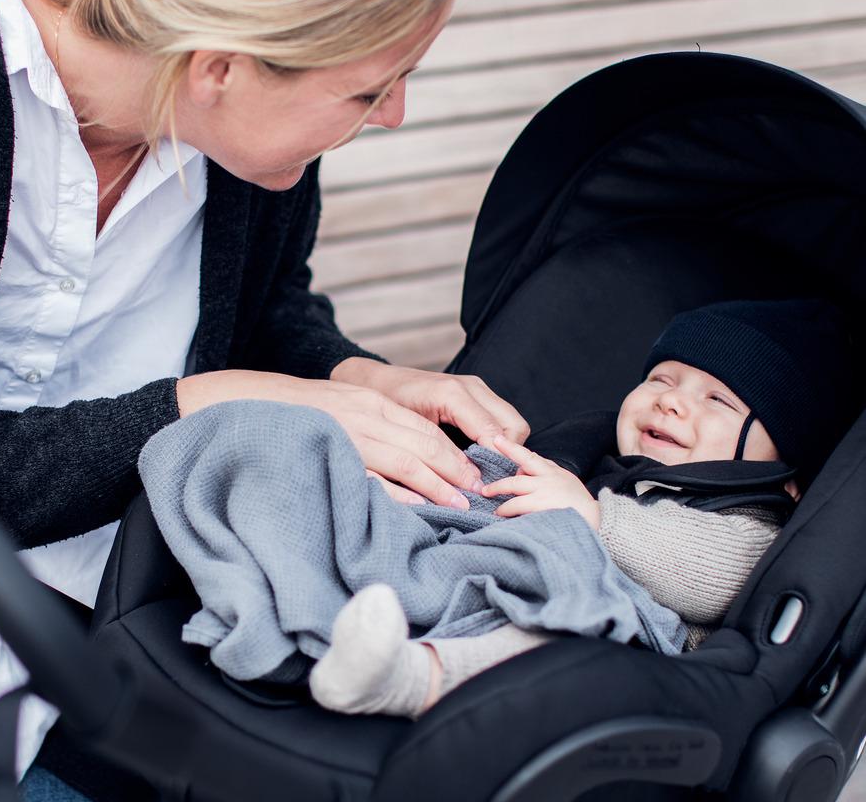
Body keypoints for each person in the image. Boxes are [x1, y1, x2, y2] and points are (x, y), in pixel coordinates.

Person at [0, 0, 530, 802]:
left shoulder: (243, 143)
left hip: (100, 642)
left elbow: (262, 311)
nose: (392, 114)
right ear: (219, 62)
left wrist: (353, 375)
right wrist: (204, 403)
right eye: (368, 88)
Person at [307, 298, 855, 718]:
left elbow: (715, 579)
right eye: (660, 378)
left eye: (719, 400)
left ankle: (408, 678)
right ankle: (329, 601)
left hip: (622, 641)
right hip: (508, 581)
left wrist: (593, 518)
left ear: (785, 471)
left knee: (549, 650)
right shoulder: (592, 460)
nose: (671, 399)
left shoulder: (751, 517)